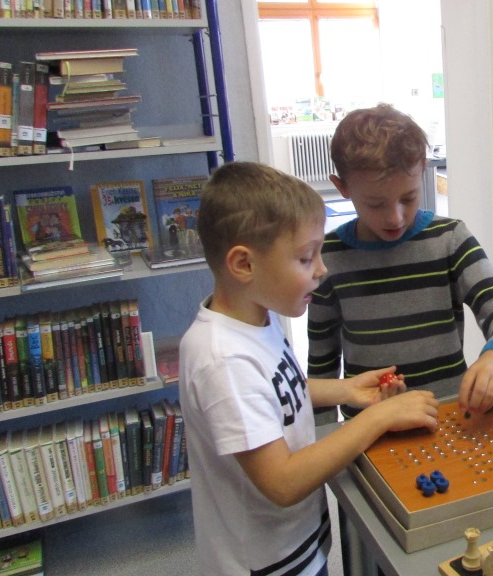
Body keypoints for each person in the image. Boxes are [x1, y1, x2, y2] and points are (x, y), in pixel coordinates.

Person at [180, 161, 440, 576]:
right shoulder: (223, 360)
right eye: (305, 258)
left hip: (296, 543)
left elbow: (275, 389)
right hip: (265, 565)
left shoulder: (252, 319)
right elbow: (282, 483)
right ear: (244, 265)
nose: (321, 269)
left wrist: (345, 390)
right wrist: (378, 418)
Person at [307, 104, 493, 421]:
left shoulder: (450, 239)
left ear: (423, 168)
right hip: (368, 428)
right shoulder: (327, 257)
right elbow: (322, 364)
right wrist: (322, 435)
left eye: (408, 198)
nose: (395, 217)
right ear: (342, 187)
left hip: (447, 417)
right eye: (375, 203)